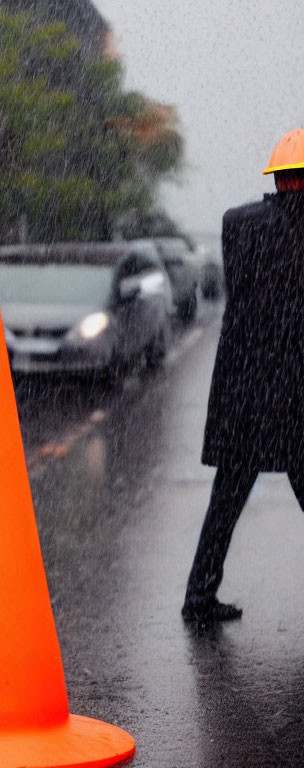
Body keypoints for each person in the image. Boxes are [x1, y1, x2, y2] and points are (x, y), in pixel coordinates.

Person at [182, 128, 304, 624]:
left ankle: (198, 597)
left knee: (226, 500)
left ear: (275, 178)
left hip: (245, 388)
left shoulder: (238, 224)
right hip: (296, 390)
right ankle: (199, 598)